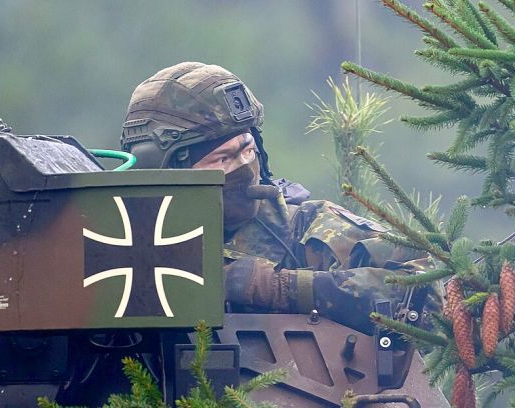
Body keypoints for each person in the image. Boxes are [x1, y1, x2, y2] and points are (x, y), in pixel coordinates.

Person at [121, 62, 438, 332]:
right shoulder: (118, 244)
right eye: (222, 159)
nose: (245, 168)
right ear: (167, 170)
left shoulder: (305, 228)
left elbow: (433, 293)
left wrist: (282, 288)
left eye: (247, 149)